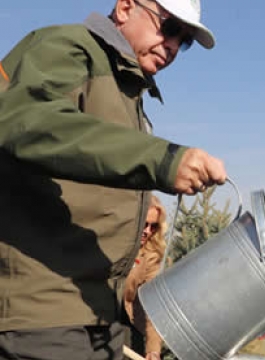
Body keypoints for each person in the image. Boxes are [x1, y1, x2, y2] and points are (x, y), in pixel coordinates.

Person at [0, 0, 227, 358]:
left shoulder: (128, 88)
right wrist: (163, 160)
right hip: (46, 314)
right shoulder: (67, 48)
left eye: (183, 41)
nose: (172, 46)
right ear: (124, 7)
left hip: (98, 315)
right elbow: (27, 121)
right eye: (169, 28)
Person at [123, 196, 167, 360]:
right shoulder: (111, 245)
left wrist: (153, 349)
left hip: (126, 319)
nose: (147, 231)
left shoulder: (150, 257)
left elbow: (153, 303)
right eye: (144, 223)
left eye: (153, 226)